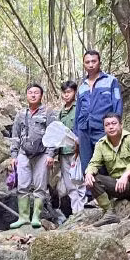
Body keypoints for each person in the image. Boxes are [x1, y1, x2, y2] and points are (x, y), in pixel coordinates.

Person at [84, 112, 130, 228]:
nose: (111, 127)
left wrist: (125, 176)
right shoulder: (101, 144)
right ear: (104, 128)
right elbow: (94, 162)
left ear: (121, 125)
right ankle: (109, 213)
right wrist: (89, 172)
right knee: (92, 178)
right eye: (107, 124)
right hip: (116, 186)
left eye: (114, 123)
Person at [9, 83, 57, 229]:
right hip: (24, 153)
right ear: (27, 95)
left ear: (41, 95)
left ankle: (36, 216)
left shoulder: (48, 112)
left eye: (36, 92)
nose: (33, 95)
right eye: (30, 92)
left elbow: (54, 133)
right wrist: (13, 155)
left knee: (40, 186)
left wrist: (50, 154)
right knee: (22, 185)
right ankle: (23, 217)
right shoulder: (20, 114)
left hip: (42, 154)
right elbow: (15, 135)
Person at [74, 50, 123, 171]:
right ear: (84, 64)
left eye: (93, 61)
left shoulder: (111, 81)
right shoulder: (82, 86)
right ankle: (89, 190)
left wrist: (116, 126)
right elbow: (78, 110)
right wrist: (76, 134)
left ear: (99, 62)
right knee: (86, 165)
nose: (91, 65)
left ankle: (106, 189)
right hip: (84, 130)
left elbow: (117, 104)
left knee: (104, 164)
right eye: (87, 62)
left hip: (102, 129)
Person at [57, 80, 86, 214]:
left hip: (78, 151)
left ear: (75, 92)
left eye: (69, 92)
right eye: (64, 92)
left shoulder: (79, 108)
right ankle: (75, 212)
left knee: (79, 181)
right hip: (63, 152)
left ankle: (83, 211)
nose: (66, 95)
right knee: (69, 185)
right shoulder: (61, 112)